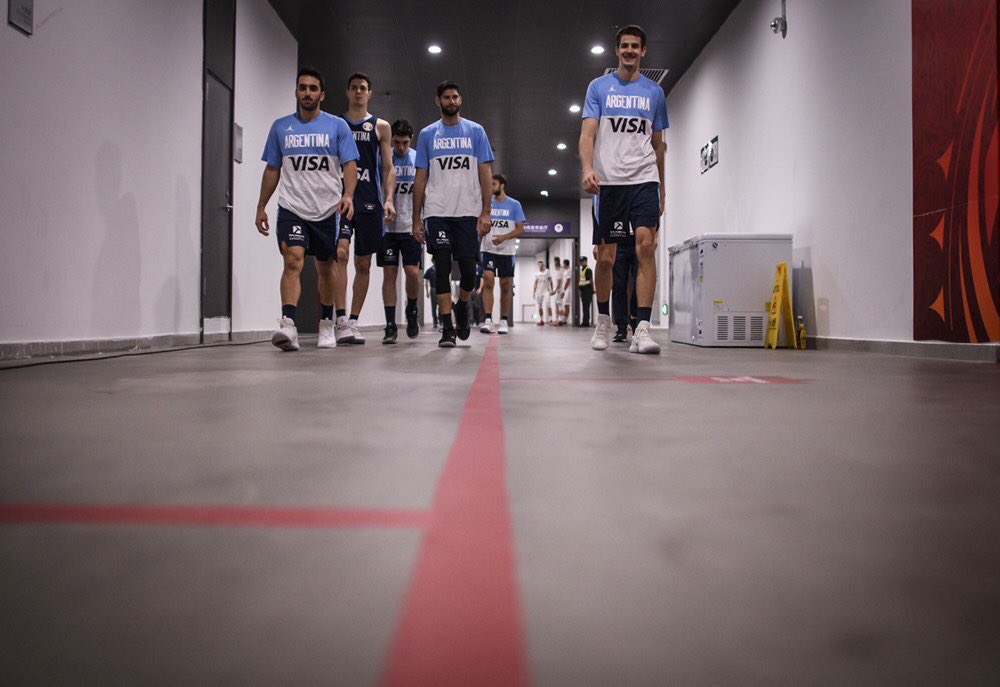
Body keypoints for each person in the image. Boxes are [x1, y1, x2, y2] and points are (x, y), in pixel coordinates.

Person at [255, 67, 359, 351]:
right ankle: (288, 325)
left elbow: (350, 165)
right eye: (303, 88)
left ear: (321, 95)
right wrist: (261, 206)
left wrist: (348, 195)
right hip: (292, 206)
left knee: (326, 268)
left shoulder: (337, 126)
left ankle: (326, 323)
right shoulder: (280, 127)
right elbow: (273, 168)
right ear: (297, 92)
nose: (307, 93)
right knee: (293, 260)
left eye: (313, 88)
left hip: (327, 208)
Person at [579, 24, 667, 354]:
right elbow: (587, 135)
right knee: (606, 257)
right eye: (625, 46)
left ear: (643, 51)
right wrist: (588, 168)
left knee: (646, 246)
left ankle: (641, 328)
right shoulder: (598, 88)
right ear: (617, 50)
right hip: (609, 183)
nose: (630, 51)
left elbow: (658, 145)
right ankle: (603, 320)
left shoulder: (654, 93)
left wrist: (662, 187)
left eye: (635, 46)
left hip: (644, 179)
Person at [412, 80, 495, 347]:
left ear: (460, 100)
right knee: (443, 267)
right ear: (438, 101)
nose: (452, 101)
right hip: (437, 212)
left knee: (470, 272)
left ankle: (462, 305)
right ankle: (447, 327)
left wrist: (485, 212)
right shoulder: (427, 135)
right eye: (446, 97)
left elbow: (485, 173)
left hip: (468, 212)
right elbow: (421, 178)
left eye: (455, 97)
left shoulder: (476, 132)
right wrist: (416, 219)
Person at [335, 73, 396, 345]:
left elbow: (388, 167)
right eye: (354, 88)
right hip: (342, 198)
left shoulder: (380, 126)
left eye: (363, 88)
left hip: (370, 199)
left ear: (370, 93)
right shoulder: (336, 125)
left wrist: (389, 198)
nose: (358, 92)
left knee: (363, 262)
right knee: (340, 253)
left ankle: (354, 321)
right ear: (347, 92)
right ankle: (339, 319)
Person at [380, 119, 422, 344]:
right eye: (396, 142)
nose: (400, 148)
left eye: (405, 143)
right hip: (387, 227)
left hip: (410, 226)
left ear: (411, 139)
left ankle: (412, 309)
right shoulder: (384, 159)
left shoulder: (418, 159)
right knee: (389, 274)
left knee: (412, 272)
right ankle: (390, 325)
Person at [479, 174, 524, 334]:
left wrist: (504, 237)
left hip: (507, 251)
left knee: (505, 285)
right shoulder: (485, 204)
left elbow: (520, 229)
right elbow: (478, 223)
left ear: (502, 186)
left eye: (494, 184)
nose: (491, 187)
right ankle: (488, 319)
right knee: (489, 280)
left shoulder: (514, 205)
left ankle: (504, 320)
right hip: (488, 249)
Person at [612, 237, 639, 342]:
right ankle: (621, 328)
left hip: (638, 240)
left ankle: (636, 320)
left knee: (640, 284)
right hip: (619, 242)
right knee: (619, 285)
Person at [533, 261, 554, 326]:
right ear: (538, 266)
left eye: (541, 265)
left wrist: (552, 289)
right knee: (540, 306)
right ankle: (541, 320)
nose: (540, 267)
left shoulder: (547, 271)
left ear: (543, 265)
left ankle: (550, 319)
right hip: (539, 291)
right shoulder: (536, 273)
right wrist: (533, 292)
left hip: (546, 290)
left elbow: (550, 280)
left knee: (548, 304)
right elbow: (535, 283)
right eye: (539, 266)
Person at [577, 255, 594, 327]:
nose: (581, 263)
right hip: (583, 290)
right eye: (580, 261)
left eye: (582, 261)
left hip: (587, 290)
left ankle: (586, 322)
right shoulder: (582, 270)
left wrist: (593, 289)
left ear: (586, 261)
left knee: (586, 306)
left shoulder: (588, 270)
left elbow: (591, 280)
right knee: (584, 307)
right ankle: (585, 321)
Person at [422, 264, 439, 328]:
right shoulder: (429, 270)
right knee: (434, 306)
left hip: (440, 288)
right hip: (433, 289)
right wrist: (427, 292)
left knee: (441, 305)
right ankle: (435, 321)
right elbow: (426, 281)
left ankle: (441, 320)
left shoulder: (440, 268)